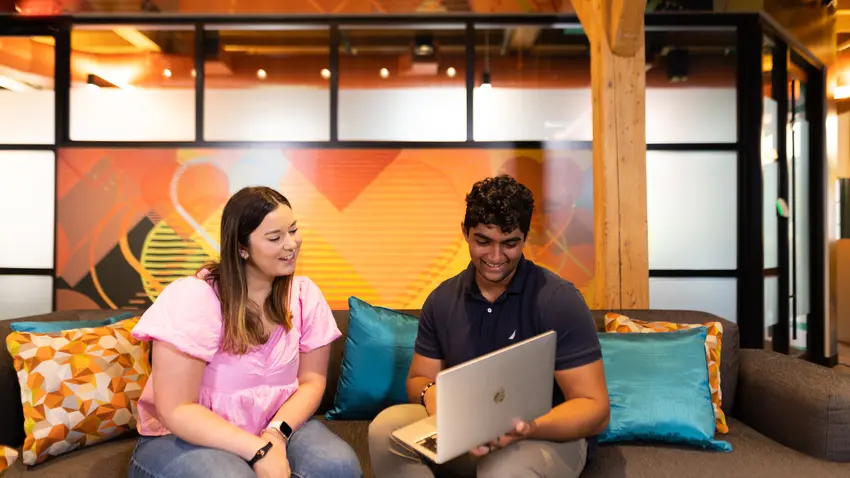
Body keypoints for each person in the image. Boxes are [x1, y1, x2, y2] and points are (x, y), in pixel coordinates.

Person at [368, 174, 610, 478]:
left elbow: (595, 408)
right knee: (385, 430)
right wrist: (433, 397)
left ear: (525, 238)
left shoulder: (559, 300)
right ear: (465, 233)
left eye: (510, 244)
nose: (496, 258)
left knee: (502, 469)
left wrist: (528, 428)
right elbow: (419, 378)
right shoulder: (441, 300)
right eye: (484, 241)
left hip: (545, 435)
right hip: (469, 429)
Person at [128, 186, 362, 478]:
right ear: (242, 248)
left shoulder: (304, 295)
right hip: (183, 436)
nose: (291, 244)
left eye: (293, 230)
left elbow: (312, 382)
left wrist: (276, 435)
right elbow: (176, 409)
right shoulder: (194, 298)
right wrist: (257, 451)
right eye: (275, 238)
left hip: (274, 426)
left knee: (337, 466)